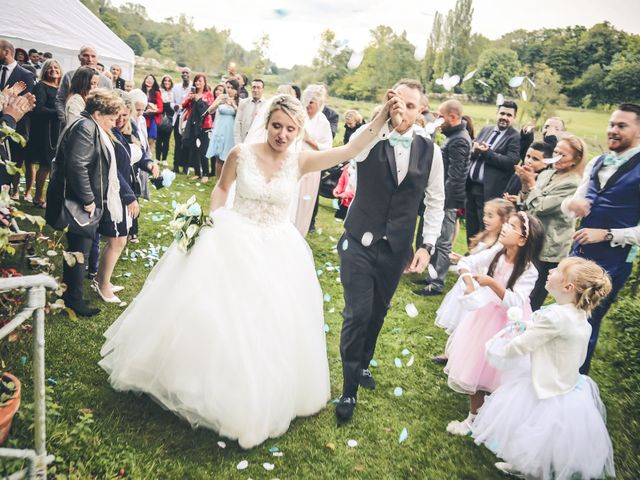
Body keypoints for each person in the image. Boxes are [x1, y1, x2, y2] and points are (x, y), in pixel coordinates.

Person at [99, 93, 396, 449]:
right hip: (232, 236)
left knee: (264, 322)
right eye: (276, 126)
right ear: (266, 123)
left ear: (298, 130)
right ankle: (192, 381)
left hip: (277, 248)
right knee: (215, 314)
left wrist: (382, 118)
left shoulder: (300, 161)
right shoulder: (242, 153)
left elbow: (350, 150)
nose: (282, 135)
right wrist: (209, 222)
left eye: (289, 129)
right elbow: (222, 188)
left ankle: (251, 391)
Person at [336, 79, 445, 423]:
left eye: (411, 106)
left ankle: (363, 362)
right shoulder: (370, 138)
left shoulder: (431, 151)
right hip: (358, 242)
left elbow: (435, 201)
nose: (404, 112)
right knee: (358, 313)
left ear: (421, 110)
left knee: (378, 312)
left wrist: (427, 245)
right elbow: (353, 149)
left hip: (397, 247)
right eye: (398, 104)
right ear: (388, 103)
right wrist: (383, 117)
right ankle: (349, 387)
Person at [474, 257, 615, 480]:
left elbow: (523, 345)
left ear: (568, 287)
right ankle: (527, 465)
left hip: (545, 385)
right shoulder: (579, 316)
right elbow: (554, 335)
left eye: (557, 270)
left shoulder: (554, 316)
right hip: (567, 384)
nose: (550, 271)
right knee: (543, 432)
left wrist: (498, 349)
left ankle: (533, 469)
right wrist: (528, 325)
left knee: (533, 427)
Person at [444, 212, 543, 436]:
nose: (505, 227)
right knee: (476, 369)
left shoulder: (529, 270)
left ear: (522, 240)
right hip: (484, 318)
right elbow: (467, 262)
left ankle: (496, 419)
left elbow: (515, 301)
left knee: (501, 374)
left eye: (512, 226)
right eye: (506, 223)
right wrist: (469, 284)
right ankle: (473, 418)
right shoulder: (496, 253)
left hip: (509, 325)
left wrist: (491, 283)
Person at [562, 103, 640, 374]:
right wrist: (574, 206)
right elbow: (571, 202)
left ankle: (575, 383)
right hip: (579, 255)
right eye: (611, 124)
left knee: (587, 322)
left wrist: (606, 234)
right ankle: (553, 373)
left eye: (622, 126)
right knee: (565, 316)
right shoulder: (597, 162)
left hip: (614, 261)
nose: (612, 130)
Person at [45, 89, 125, 317]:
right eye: (111, 118)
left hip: (79, 198)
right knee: (81, 249)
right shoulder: (86, 128)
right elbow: (77, 165)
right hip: (78, 201)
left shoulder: (89, 125)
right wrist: (89, 199)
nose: (114, 123)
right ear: (98, 114)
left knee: (78, 249)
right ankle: (74, 300)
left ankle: (69, 294)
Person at [432, 198, 515, 364]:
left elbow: (489, 267)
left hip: (478, 287)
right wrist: (462, 259)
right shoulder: (485, 235)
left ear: (504, 220)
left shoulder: (500, 244)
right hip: (466, 282)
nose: (485, 219)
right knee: (458, 324)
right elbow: (476, 260)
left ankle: (457, 356)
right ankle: (451, 353)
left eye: (491, 216)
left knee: (466, 324)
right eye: (485, 215)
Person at [94, 93, 159, 303]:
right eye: (117, 115)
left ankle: (102, 278)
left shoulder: (125, 131)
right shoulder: (108, 133)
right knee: (118, 239)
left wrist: (148, 164)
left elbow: (136, 155)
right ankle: (102, 284)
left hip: (123, 189)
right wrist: (130, 197)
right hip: (116, 191)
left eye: (125, 115)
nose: (121, 119)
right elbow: (112, 170)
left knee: (119, 239)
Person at [519, 135, 586, 310]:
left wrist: (531, 185)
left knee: (535, 291)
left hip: (549, 246)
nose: (556, 157)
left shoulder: (573, 183)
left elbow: (541, 206)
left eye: (562, 155)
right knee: (521, 283)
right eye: (555, 152)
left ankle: (526, 325)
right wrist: (525, 187)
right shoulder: (547, 174)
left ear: (575, 160)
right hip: (532, 238)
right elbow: (529, 204)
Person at [414, 99, 471, 296]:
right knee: (435, 239)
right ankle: (431, 274)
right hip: (443, 198)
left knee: (443, 241)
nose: (438, 119)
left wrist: (441, 202)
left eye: (441, 116)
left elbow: (456, 177)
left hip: (448, 200)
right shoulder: (453, 137)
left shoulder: (460, 140)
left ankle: (437, 282)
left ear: (453, 117)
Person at [465, 101, 521, 242]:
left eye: (509, 115)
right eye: (502, 113)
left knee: (485, 229)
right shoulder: (486, 129)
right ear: (497, 113)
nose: (504, 117)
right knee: (470, 227)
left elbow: (511, 161)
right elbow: (472, 150)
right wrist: (475, 150)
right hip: (471, 186)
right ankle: (469, 256)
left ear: (514, 118)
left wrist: (487, 153)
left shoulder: (514, 136)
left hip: (489, 191)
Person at [292, 84, 333, 236]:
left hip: (311, 167)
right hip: (294, 162)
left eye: (312, 103)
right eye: (307, 101)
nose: (308, 105)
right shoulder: (298, 116)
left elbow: (327, 147)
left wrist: (310, 140)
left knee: (304, 202)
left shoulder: (322, 121)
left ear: (319, 104)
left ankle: (299, 232)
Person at [27, 59, 62, 207]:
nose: (53, 70)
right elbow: (39, 109)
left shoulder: (62, 88)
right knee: (46, 164)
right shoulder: (41, 87)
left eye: (56, 67)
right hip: (45, 131)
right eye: (49, 68)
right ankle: (38, 197)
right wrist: (60, 113)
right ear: (45, 71)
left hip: (59, 130)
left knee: (53, 165)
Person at [55, 45, 112, 126]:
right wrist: (65, 119)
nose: (90, 59)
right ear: (79, 57)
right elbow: (60, 100)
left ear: (97, 58)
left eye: (93, 56)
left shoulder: (106, 81)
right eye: (86, 55)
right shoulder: (69, 76)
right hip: (71, 124)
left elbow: (109, 105)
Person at [206, 79, 238, 179]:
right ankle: (217, 180)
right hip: (220, 128)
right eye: (228, 87)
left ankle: (226, 180)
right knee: (218, 156)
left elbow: (240, 116)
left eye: (232, 88)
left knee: (228, 156)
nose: (229, 90)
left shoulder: (239, 100)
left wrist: (234, 105)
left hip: (231, 129)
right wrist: (218, 103)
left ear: (237, 90)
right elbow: (210, 111)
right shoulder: (221, 97)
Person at [171, 68, 192, 173]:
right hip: (178, 117)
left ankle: (185, 167)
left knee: (187, 144)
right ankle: (175, 166)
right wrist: (174, 106)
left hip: (188, 119)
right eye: (183, 72)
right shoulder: (176, 87)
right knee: (178, 143)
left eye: (186, 73)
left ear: (190, 75)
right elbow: (172, 102)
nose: (184, 74)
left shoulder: (193, 87)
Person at [234, 79, 265, 144]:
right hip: (243, 140)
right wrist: (238, 143)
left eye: (258, 88)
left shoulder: (267, 105)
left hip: (258, 142)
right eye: (254, 87)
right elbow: (238, 122)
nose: (255, 90)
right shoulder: (243, 102)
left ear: (263, 89)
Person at [140, 74, 163, 154]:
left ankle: (148, 158)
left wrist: (152, 110)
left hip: (152, 120)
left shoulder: (156, 93)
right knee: (140, 139)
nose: (149, 80)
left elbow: (160, 108)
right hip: (141, 118)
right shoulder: (140, 91)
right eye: (147, 78)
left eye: (151, 79)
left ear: (154, 82)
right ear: (145, 80)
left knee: (150, 140)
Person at [156, 75, 174, 162]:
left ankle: (164, 159)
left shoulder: (173, 92)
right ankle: (157, 158)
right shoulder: (160, 91)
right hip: (160, 117)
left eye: (169, 81)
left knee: (166, 140)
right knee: (159, 139)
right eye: (165, 81)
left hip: (170, 118)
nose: (167, 82)